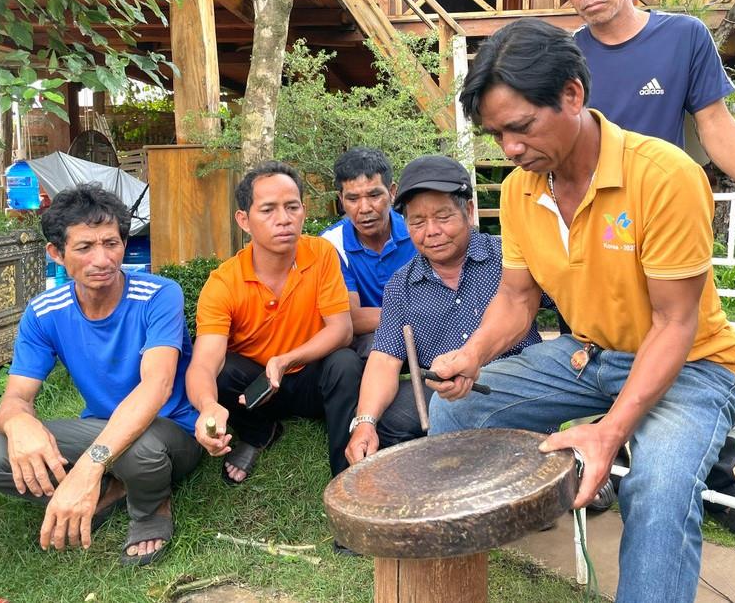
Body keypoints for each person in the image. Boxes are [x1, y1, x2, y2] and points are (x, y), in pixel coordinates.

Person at [428, 19, 735, 603]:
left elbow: (675, 323)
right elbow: (517, 299)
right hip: (587, 356)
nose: (510, 149)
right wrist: (472, 355)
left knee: (657, 487)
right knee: (455, 406)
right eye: (497, 135)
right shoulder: (521, 189)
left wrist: (610, 431)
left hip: (691, 366)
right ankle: (449, 581)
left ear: (572, 94)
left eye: (522, 126)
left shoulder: (663, 176)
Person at [547, 0, 735, 545]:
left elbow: (713, 122)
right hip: (593, 229)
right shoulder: (567, 57)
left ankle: (718, 483)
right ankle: (607, 462)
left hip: (666, 223)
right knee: (599, 346)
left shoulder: (682, 36)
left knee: (690, 344)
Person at [0, 184, 201, 566]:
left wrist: (88, 467)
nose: (102, 259)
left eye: (111, 243)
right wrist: (18, 424)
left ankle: (150, 508)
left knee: (140, 450)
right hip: (102, 427)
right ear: (56, 254)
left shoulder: (159, 295)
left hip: (169, 431)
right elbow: (16, 397)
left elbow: (156, 387)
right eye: (85, 247)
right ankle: (111, 487)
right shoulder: (44, 313)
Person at [344, 155, 542, 465]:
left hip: (518, 383)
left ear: (469, 211)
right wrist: (365, 422)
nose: (431, 231)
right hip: (446, 393)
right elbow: (384, 359)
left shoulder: (509, 257)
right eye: (417, 222)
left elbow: (569, 301)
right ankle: (427, 482)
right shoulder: (401, 286)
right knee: (388, 420)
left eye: (443, 216)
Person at [184, 161, 362, 492]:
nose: (283, 219)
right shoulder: (224, 283)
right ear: (244, 220)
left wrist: (287, 360)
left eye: (292, 207)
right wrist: (208, 406)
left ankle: (346, 474)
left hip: (309, 378)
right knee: (223, 373)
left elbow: (342, 330)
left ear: (303, 211)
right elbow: (204, 363)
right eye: (268, 210)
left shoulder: (321, 253)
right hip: (255, 391)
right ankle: (259, 433)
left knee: (345, 362)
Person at [321, 147, 416, 359]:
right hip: (367, 339)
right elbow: (349, 318)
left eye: (374, 195)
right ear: (341, 199)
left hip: (428, 333)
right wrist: (419, 314)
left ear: (392, 192)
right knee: (372, 345)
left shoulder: (417, 231)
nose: (364, 208)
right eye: (353, 199)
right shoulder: (331, 244)